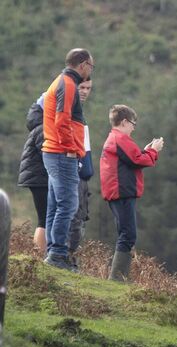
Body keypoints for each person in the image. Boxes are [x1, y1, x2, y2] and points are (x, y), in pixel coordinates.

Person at [41, 48, 94, 270]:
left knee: (55, 205)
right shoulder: (68, 84)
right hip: (62, 154)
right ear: (83, 65)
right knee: (68, 205)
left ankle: (53, 251)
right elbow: (62, 120)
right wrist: (71, 148)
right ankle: (57, 254)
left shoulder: (61, 81)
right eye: (91, 66)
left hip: (54, 152)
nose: (91, 70)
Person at [99, 105, 163, 281]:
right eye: (133, 124)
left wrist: (146, 151)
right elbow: (138, 160)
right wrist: (154, 150)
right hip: (122, 192)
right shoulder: (120, 139)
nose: (134, 128)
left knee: (126, 233)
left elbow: (132, 158)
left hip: (117, 192)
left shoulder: (115, 138)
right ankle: (117, 278)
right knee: (128, 235)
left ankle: (119, 277)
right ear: (125, 122)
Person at [68, 78, 95, 268]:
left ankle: (72, 261)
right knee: (73, 219)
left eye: (88, 88)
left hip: (83, 176)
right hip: (73, 174)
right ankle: (67, 261)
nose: (85, 91)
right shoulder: (68, 112)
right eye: (82, 87)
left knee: (79, 220)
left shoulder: (80, 114)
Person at [17, 93, 48, 254]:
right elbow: (47, 154)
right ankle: (39, 256)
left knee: (44, 218)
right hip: (40, 178)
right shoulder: (43, 127)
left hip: (37, 177)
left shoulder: (40, 125)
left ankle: (40, 256)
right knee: (44, 219)